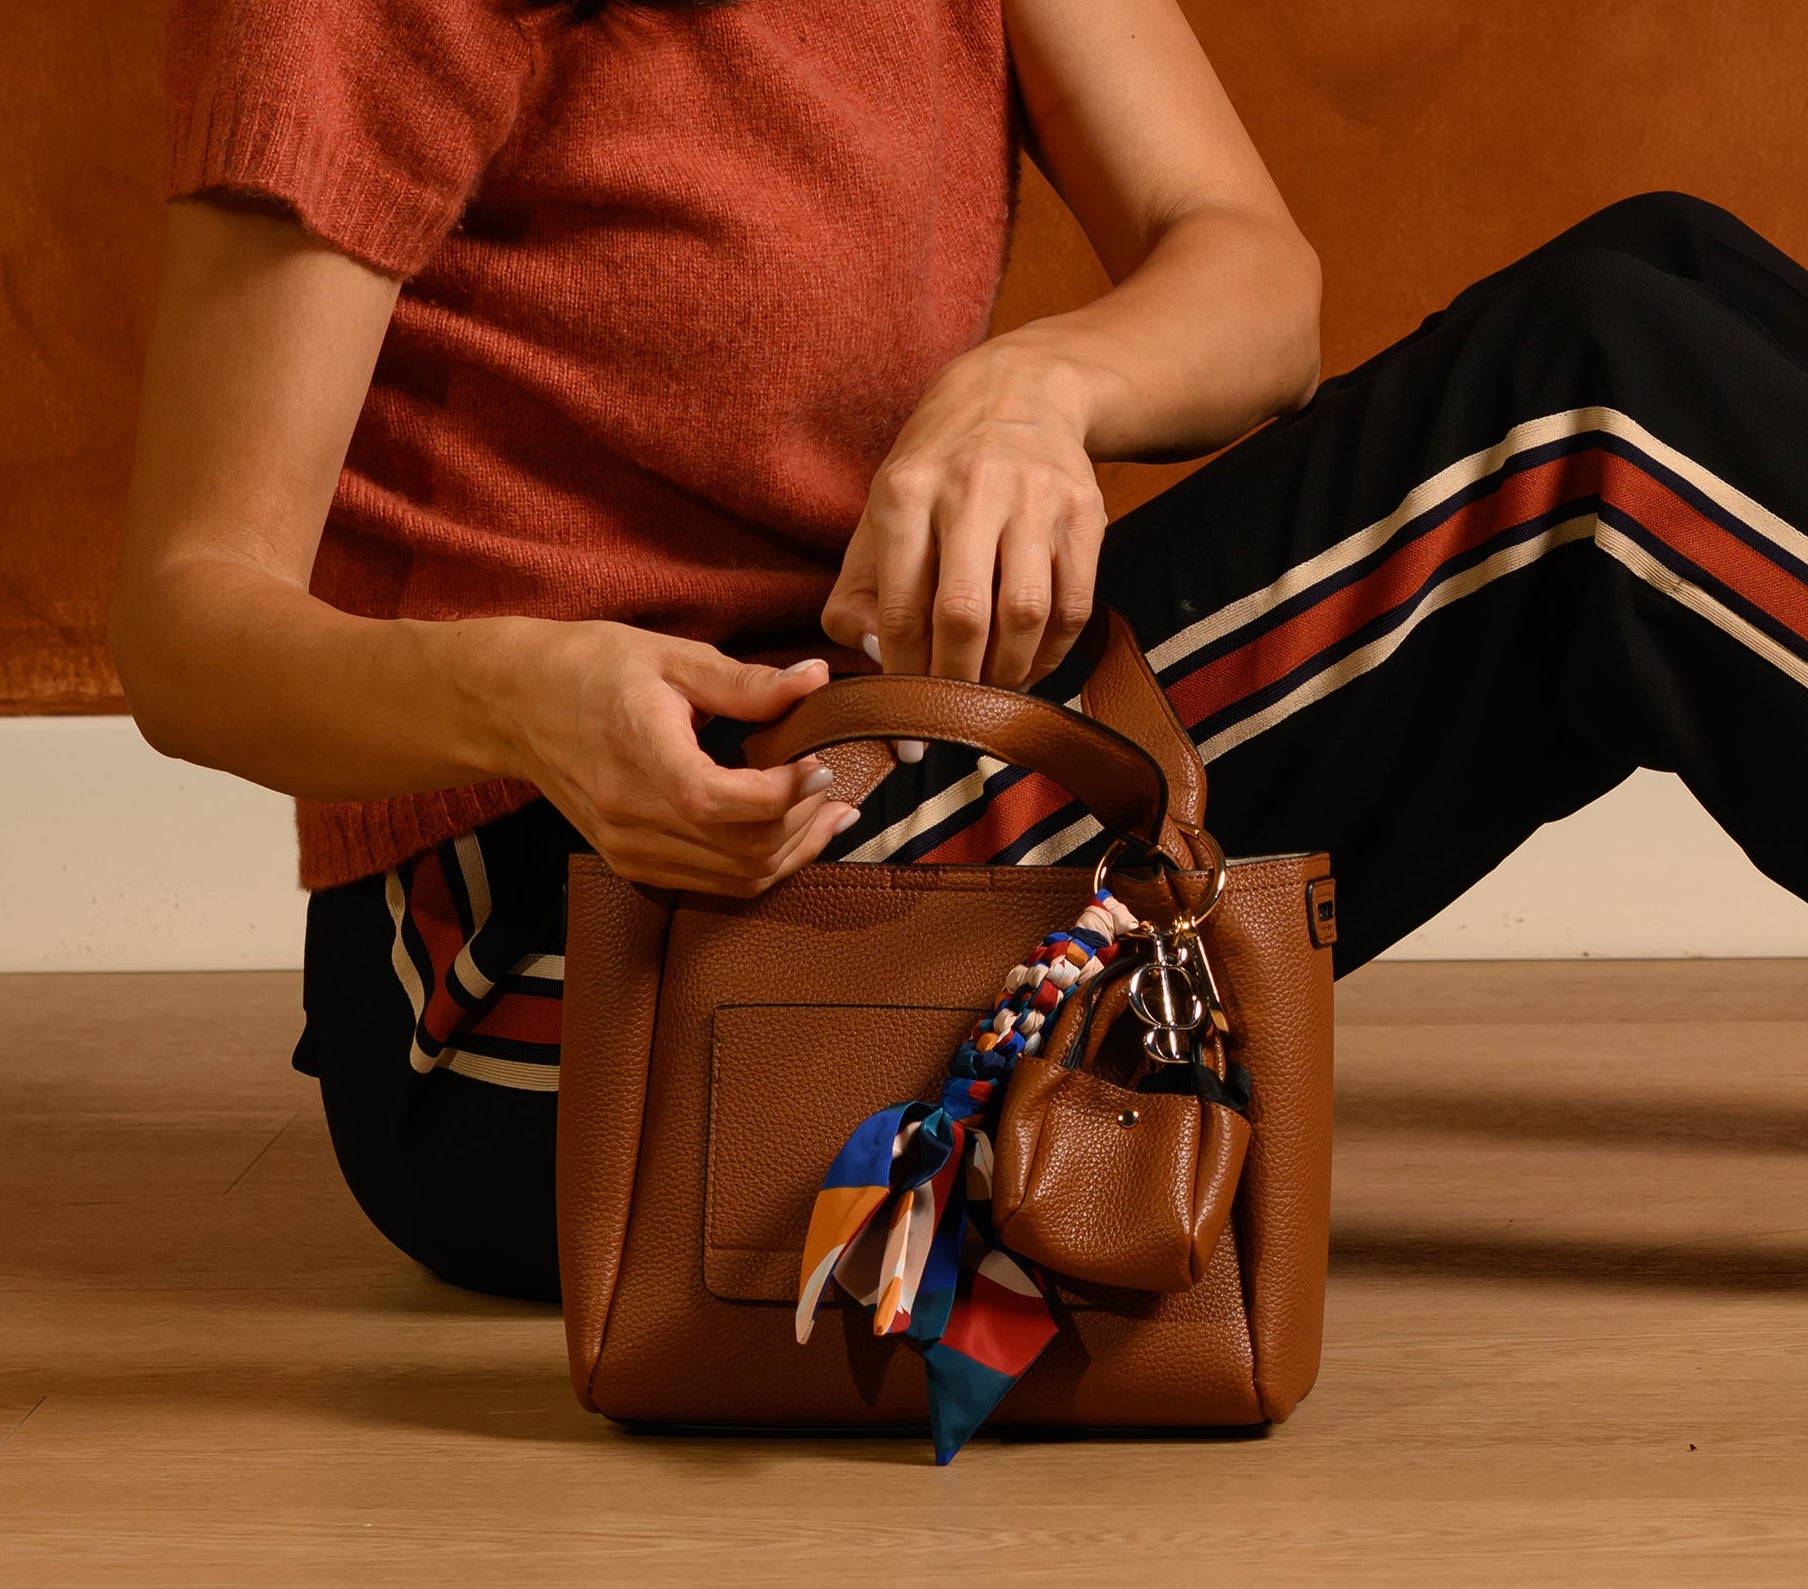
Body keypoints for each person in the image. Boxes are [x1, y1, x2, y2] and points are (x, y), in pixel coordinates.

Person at [111, 0, 1808, 1304]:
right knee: (1597, 418)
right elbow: (190, 623)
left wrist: (1034, 387)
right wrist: (524, 700)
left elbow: (1252, 275)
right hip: (556, 979)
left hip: (875, 750)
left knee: (1665, 265)